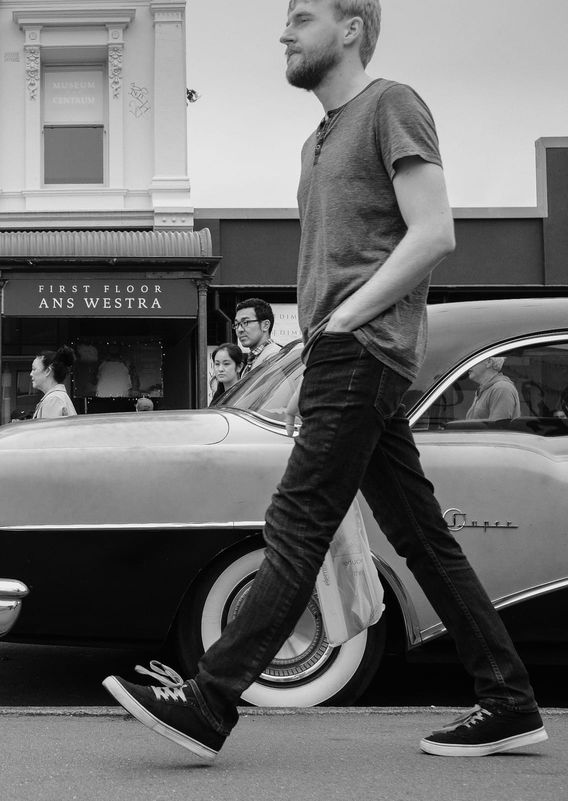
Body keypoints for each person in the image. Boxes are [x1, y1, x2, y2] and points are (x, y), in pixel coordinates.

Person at [103, 0, 546, 761]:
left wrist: (344, 322)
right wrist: (320, 341)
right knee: (422, 536)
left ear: (350, 29)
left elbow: (435, 230)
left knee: (299, 519)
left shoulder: (391, 105)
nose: (284, 31)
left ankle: (209, 700)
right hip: (341, 354)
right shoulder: (316, 143)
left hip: (362, 348)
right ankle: (509, 700)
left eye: (301, 17)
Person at [233, 299, 282, 377]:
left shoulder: (273, 356)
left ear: (265, 325)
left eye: (246, 322)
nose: (239, 329)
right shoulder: (253, 359)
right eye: (236, 324)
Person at [465, 356, 521, 421]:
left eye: (473, 359)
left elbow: (498, 428)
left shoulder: (501, 388)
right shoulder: (484, 389)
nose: (468, 365)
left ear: (489, 362)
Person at [31, 346, 77, 418]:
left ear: (48, 371)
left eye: (34, 369)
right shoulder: (56, 398)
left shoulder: (53, 400)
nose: (31, 374)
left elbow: (49, 429)